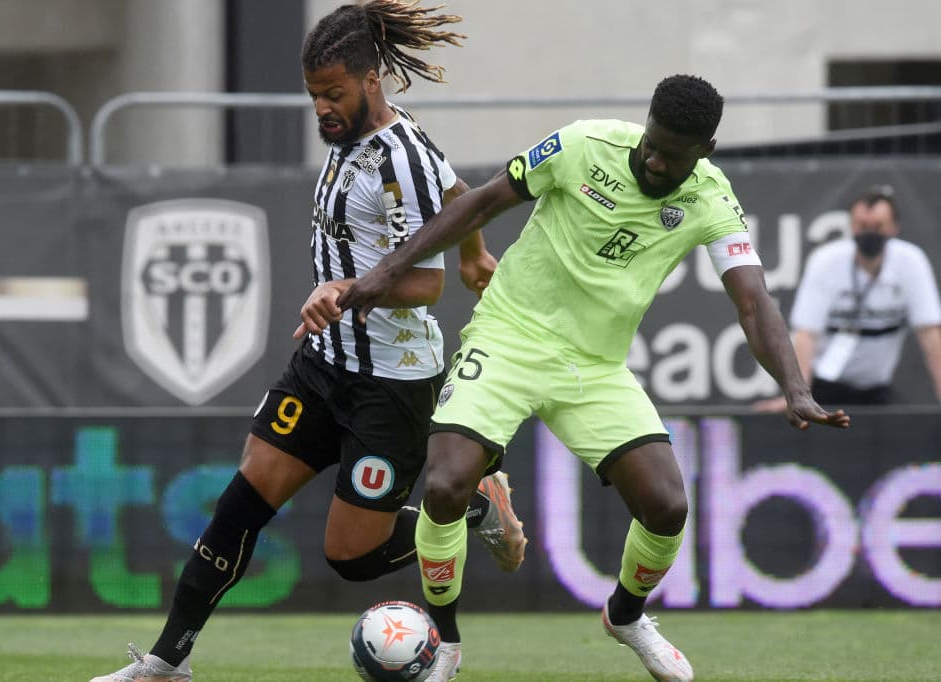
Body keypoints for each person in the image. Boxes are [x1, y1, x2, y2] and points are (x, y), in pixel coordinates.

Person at [335, 74, 852, 682]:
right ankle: (445, 643)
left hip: (595, 368)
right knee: (447, 485)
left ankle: (626, 616)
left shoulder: (711, 198)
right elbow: (479, 203)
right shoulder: (583, 146)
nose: (655, 161)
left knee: (667, 506)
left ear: (704, 152)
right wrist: (388, 270)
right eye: (651, 144)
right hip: (507, 339)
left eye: (672, 156)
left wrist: (794, 387)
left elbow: (753, 300)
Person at [90, 2, 526, 681]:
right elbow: (458, 191)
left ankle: (472, 506)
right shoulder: (360, 142)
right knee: (242, 500)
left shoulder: (399, 158)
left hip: (391, 383)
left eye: (334, 93)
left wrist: (350, 288)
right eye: (314, 95)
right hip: (324, 364)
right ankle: (165, 663)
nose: (322, 108)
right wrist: (474, 247)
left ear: (371, 81)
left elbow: (426, 287)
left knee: (351, 557)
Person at [753, 185, 941, 411]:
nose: (870, 233)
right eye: (862, 226)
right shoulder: (826, 262)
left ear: (894, 228)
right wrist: (797, 395)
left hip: (876, 388)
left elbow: (930, 335)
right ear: (851, 226)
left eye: (878, 226)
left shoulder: (911, 263)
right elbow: (806, 336)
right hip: (826, 386)